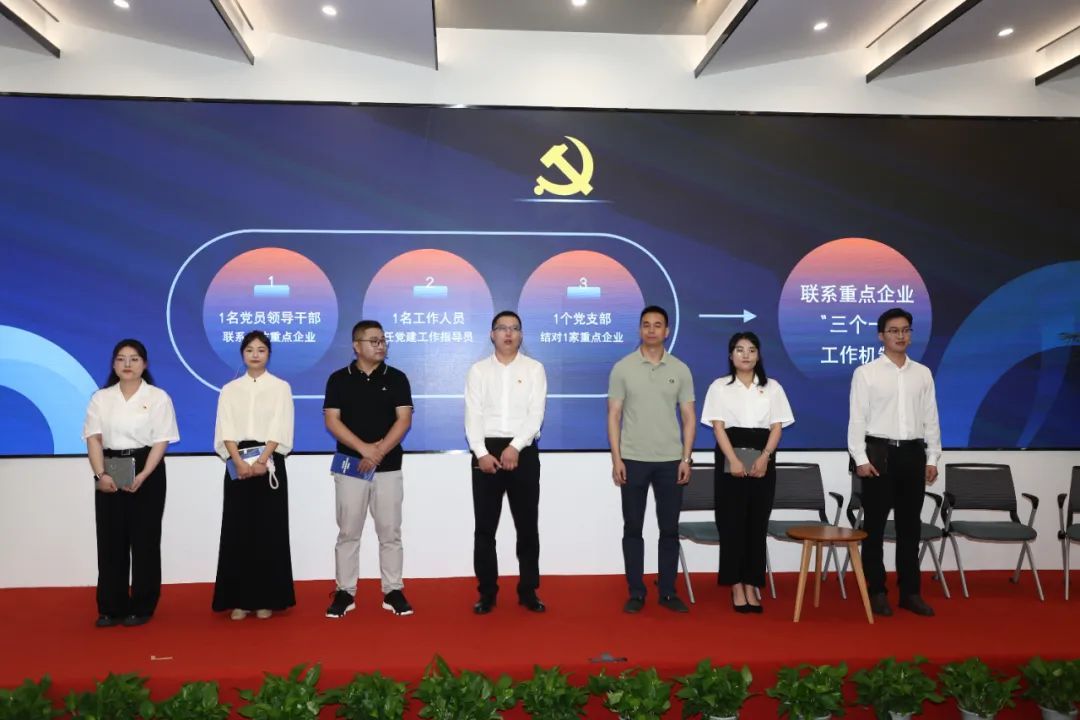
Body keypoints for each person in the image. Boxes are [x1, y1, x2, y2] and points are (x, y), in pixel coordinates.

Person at [848, 307, 941, 618]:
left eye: (905, 330)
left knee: (909, 528)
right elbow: (857, 419)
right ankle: (877, 591)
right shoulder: (866, 373)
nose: (901, 336)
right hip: (879, 455)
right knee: (874, 528)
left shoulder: (922, 373)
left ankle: (910, 593)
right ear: (881, 336)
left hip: (913, 454)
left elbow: (931, 418)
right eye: (894, 331)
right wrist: (860, 458)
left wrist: (932, 456)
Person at [83, 339, 179, 628]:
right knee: (111, 539)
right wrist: (101, 475)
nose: (127, 364)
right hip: (111, 466)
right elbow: (94, 439)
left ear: (144, 364)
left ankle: (142, 605)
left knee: (144, 539)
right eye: (121, 359)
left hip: (147, 466)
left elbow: (161, 441)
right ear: (113, 364)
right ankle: (110, 607)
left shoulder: (158, 397)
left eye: (134, 359)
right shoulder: (101, 398)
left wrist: (144, 474)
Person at [608, 305, 696, 614]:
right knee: (633, 528)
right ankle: (636, 591)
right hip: (632, 459)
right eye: (646, 324)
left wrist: (686, 459)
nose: (651, 330)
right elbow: (614, 415)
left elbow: (689, 417)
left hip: (671, 461)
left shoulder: (680, 369)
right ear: (639, 329)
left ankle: (668, 592)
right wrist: (617, 459)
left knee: (669, 529)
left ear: (666, 331)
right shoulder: (623, 368)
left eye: (658, 325)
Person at [323, 320, 414, 618]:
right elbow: (332, 420)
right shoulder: (339, 379)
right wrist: (364, 449)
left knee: (390, 531)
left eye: (383, 340)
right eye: (374, 341)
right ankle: (345, 591)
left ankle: (393, 589)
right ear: (356, 345)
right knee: (348, 531)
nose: (380, 345)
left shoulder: (397, 378)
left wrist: (378, 453)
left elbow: (403, 420)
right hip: (351, 464)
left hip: (388, 466)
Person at [700, 332, 794, 614]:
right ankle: (736, 584)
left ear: (758, 355)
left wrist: (765, 457)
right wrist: (733, 460)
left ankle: (753, 583)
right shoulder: (719, 387)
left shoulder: (773, 387)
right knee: (731, 523)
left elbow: (777, 427)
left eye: (751, 350)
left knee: (756, 523)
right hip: (730, 455)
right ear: (731, 355)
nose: (746, 355)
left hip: (763, 457)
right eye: (739, 350)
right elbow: (718, 427)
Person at [465, 310, 548, 615]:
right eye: (502, 328)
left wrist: (515, 446)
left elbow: (536, 414)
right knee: (485, 529)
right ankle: (487, 593)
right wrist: (481, 452)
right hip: (486, 451)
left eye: (514, 328)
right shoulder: (478, 371)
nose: (508, 333)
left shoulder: (535, 369)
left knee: (527, 526)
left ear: (521, 335)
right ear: (492, 334)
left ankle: (528, 591)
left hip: (523, 450)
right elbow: (473, 415)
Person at [211, 330, 296, 620]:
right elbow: (225, 427)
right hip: (237, 462)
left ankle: (266, 599)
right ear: (242, 354)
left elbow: (281, 425)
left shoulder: (280, 387)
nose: (255, 354)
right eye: (249, 350)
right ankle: (239, 600)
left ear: (269, 354)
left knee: (268, 531)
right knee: (238, 530)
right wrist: (238, 461)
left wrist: (262, 460)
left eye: (261, 349)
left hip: (269, 461)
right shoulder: (229, 389)